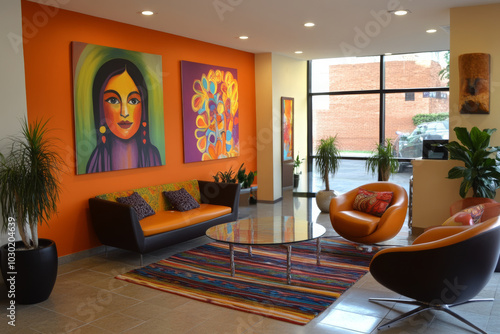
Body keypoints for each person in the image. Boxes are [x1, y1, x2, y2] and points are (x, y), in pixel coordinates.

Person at [86, 58, 162, 173]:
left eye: (133, 101)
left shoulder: (152, 156)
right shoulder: (96, 161)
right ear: (100, 107)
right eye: (113, 100)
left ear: (143, 107)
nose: (124, 113)